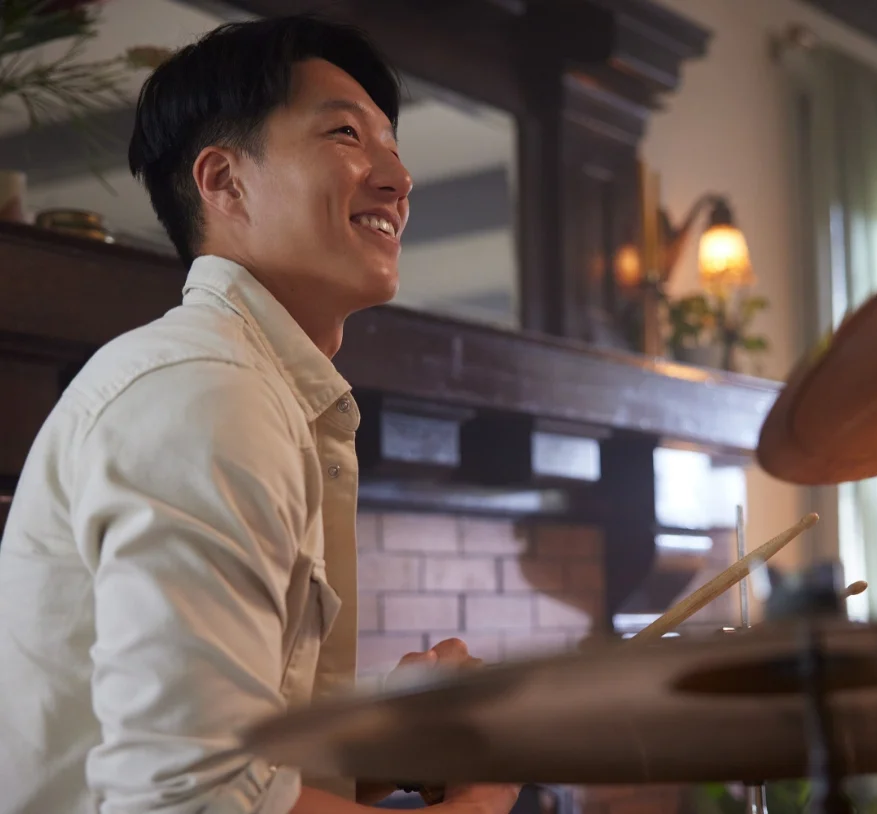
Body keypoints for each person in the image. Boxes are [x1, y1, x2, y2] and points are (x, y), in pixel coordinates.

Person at [0, 14, 520, 814]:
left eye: (394, 148)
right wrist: (480, 804)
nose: (397, 179)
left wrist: (395, 725)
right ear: (224, 182)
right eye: (347, 136)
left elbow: (241, 763)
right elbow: (190, 804)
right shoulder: (209, 393)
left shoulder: (249, 387)